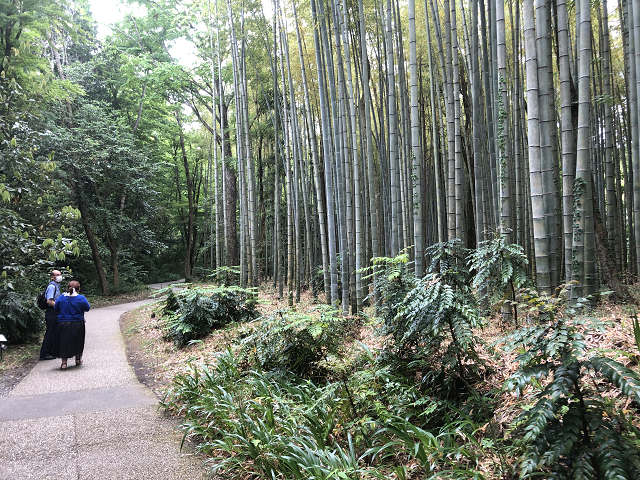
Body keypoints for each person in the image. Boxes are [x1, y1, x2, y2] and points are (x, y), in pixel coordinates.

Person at [52, 280, 90, 370]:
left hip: (63, 323)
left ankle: (64, 363)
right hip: (77, 322)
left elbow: (56, 308)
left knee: (64, 342)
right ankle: (78, 359)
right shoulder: (81, 298)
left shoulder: (61, 298)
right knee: (78, 341)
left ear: (68, 288)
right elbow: (87, 308)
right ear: (79, 289)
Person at [39, 270, 62, 360]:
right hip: (52, 311)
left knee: (54, 332)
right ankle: (44, 353)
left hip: (54, 311)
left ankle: (51, 351)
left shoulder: (56, 285)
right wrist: (58, 307)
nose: (59, 276)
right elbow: (49, 300)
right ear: (52, 277)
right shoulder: (52, 286)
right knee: (50, 332)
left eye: (60, 274)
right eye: (57, 275)